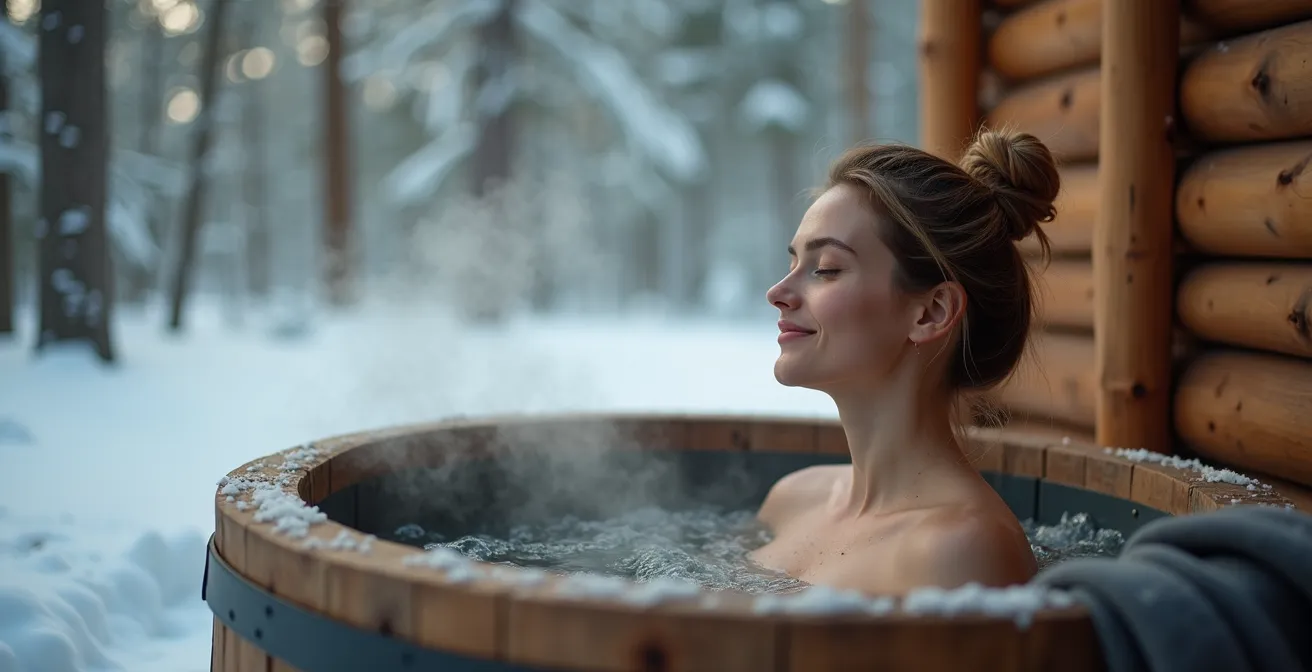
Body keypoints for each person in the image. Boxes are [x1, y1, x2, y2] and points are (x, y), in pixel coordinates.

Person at [750, 128, 1060, 595]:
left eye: (827, 269)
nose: (777, 293)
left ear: (931, 312)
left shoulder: (963, 551)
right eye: (794, 263)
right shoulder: (791, 500)